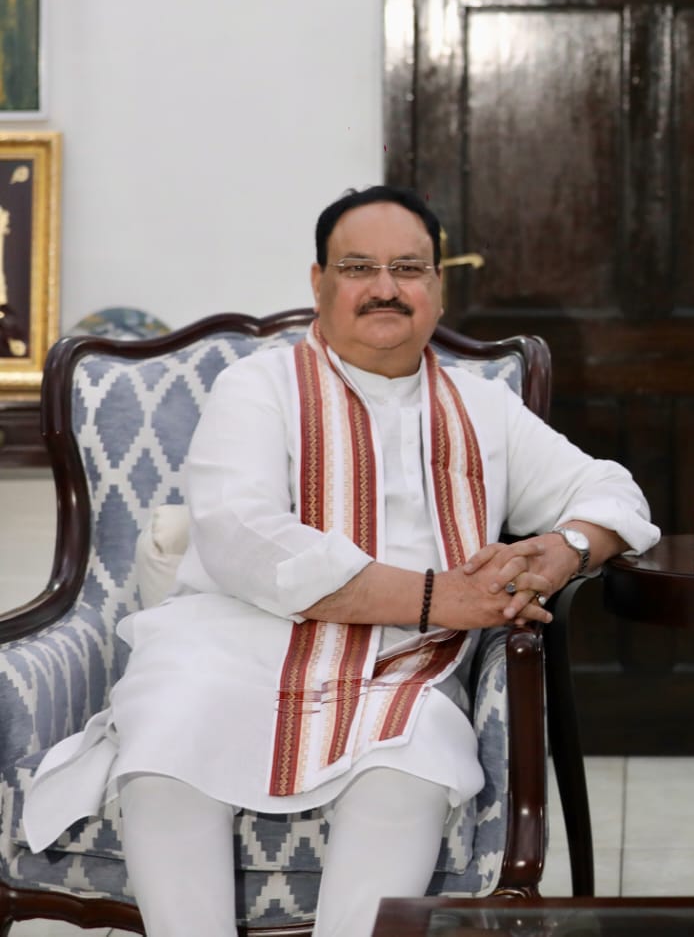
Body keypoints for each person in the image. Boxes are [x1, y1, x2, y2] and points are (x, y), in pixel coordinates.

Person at [22, 185, 661, 937]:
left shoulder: (483, 407)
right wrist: (439, 599)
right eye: (359, 267)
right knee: (163, 751)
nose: (386, 289)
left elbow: (613, 490)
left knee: (409, 772)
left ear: (438, 288)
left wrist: (564, 549)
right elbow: (245, 540)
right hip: (228, 644)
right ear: (318, 282)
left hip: (398, 665)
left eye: (409, 269)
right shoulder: (257, 387)